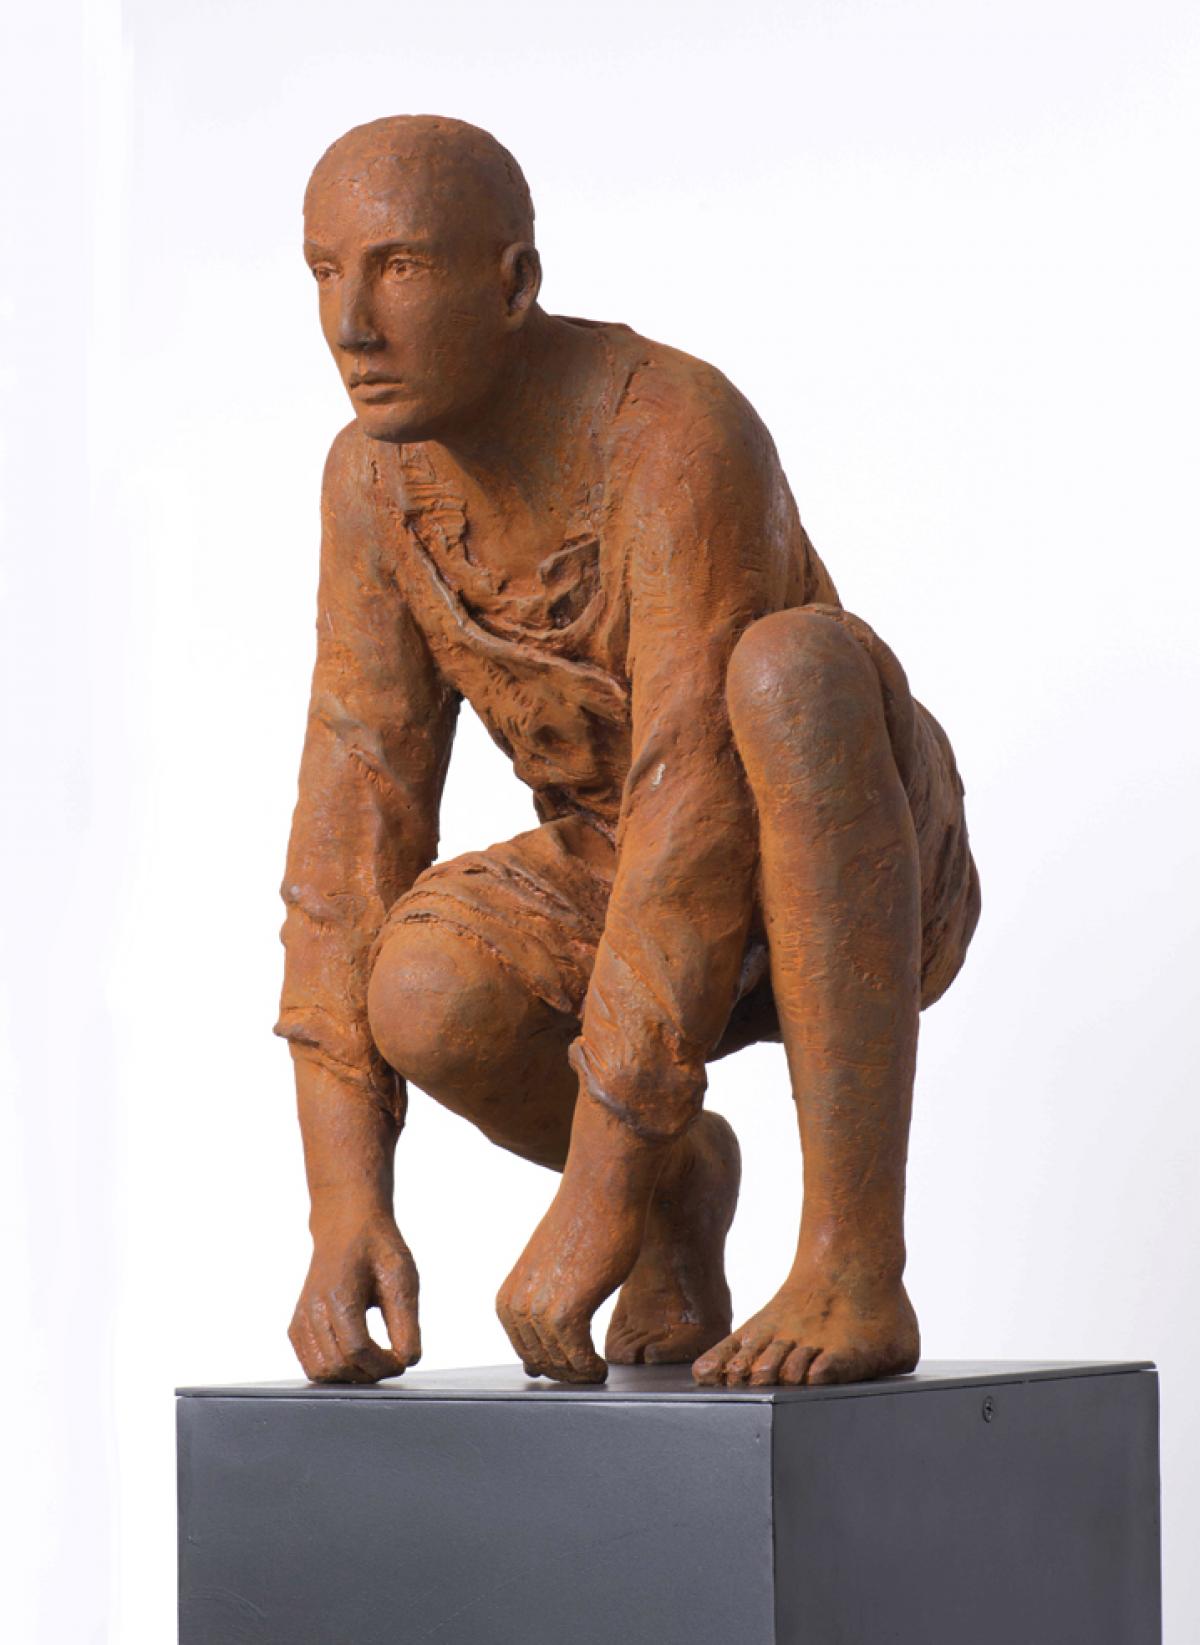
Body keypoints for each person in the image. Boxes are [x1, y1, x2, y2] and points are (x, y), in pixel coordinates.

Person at [277, 115, 980, 1388]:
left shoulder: (673, 429)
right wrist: (343, 1204)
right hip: (623, 873)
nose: (351, 325)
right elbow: (352, 819)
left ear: (515, 284)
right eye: (326, 271)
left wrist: (591, 1190)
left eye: (400, 268)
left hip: (842, 853)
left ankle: (852, 1261)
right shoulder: (371, 483)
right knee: (420, 985)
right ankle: (678, 1194)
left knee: (791, 671)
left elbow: (695, 795)